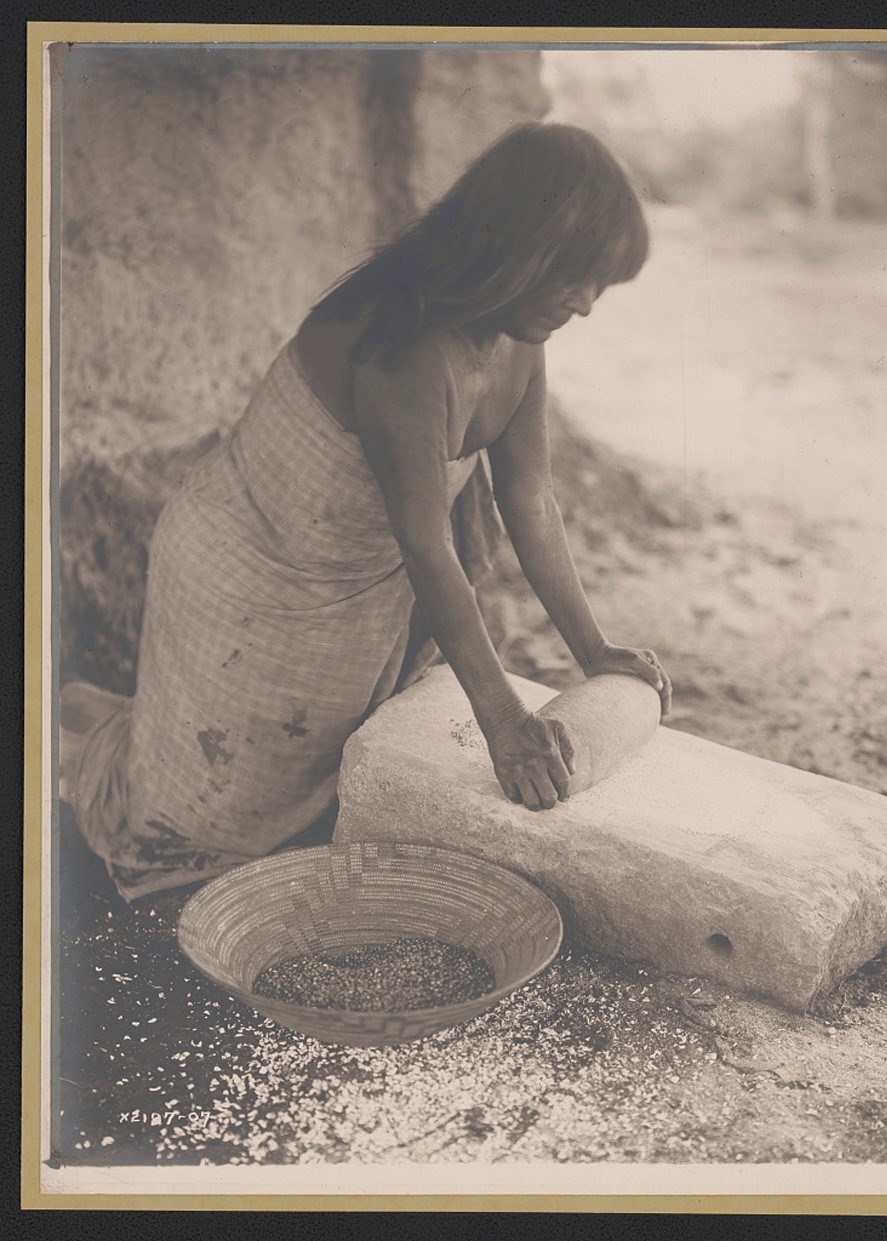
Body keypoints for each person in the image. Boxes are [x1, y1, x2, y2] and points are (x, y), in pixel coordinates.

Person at [62, 121, 672, 903]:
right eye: (575, 277)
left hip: (345, 586)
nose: (587, 305)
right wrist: (505, 722)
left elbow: (530, 497)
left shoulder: (517, 332)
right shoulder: (408, 346)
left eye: (599, 285)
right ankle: (67, 742)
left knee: (307, 795)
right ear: (517, 247)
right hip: (247, 577)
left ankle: (99, 722)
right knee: (198, 827)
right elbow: (427, 547)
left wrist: (596, 651)